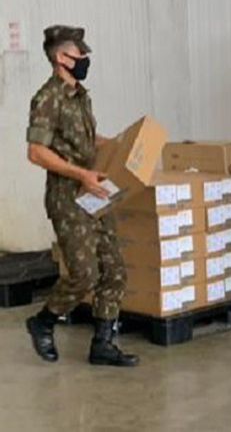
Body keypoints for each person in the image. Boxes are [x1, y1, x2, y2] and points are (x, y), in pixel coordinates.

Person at [25, 25, 138, 367]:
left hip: (95, 194)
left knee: (114, 270)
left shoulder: (80, 95)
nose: (86, 58)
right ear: (61, 57)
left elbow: (86, 140)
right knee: (84, 274)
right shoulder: (48, 98)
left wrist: (118, 145)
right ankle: (43, 322)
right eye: (80, 53)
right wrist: (81, 175)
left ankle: (102, 344)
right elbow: (36, 152)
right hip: (68, 199)